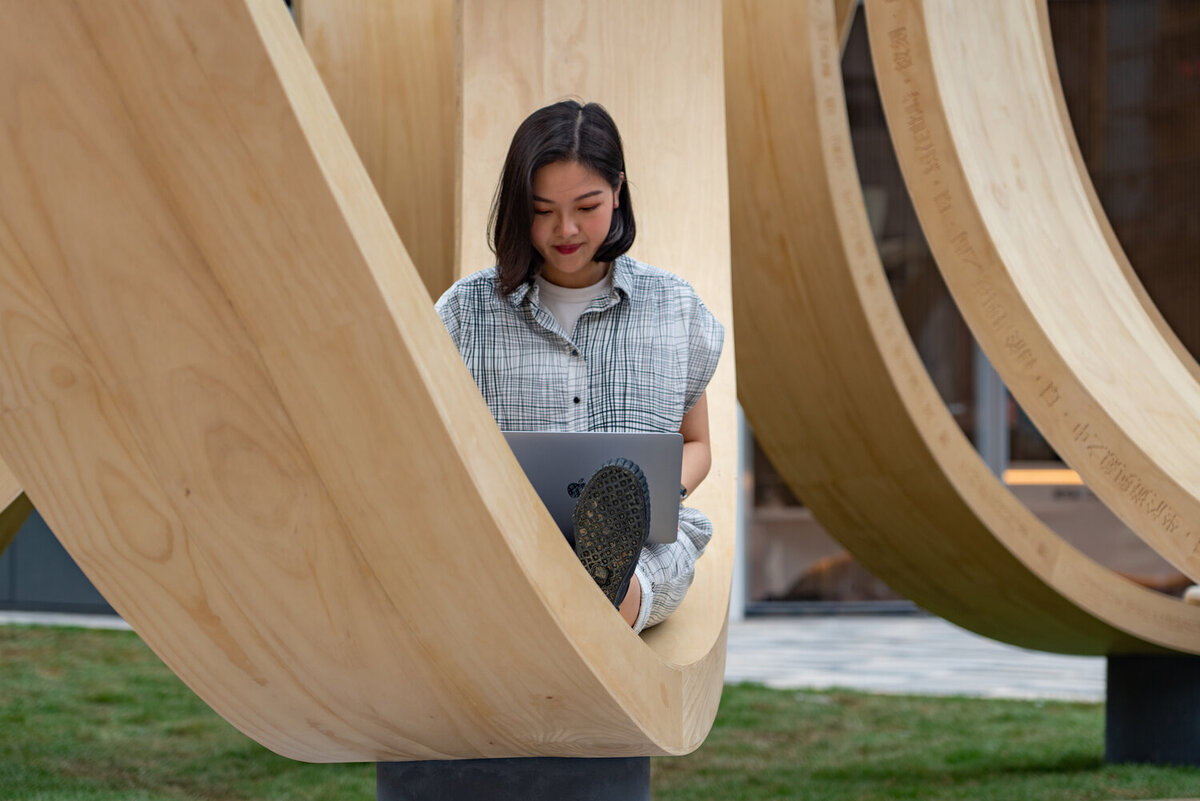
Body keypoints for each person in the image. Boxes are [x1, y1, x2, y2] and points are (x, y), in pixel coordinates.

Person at [435, 100, 723, 633]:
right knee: (512, 573)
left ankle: (603, 589)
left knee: (632, 573)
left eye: (586, 206)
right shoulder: (464, 312)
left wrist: (654, 498)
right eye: (542, 210)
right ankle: (582, 591)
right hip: (508, 540)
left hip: (642, 546)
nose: (564, 229)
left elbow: (697, 443)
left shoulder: (674, 307)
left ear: (618, 189)